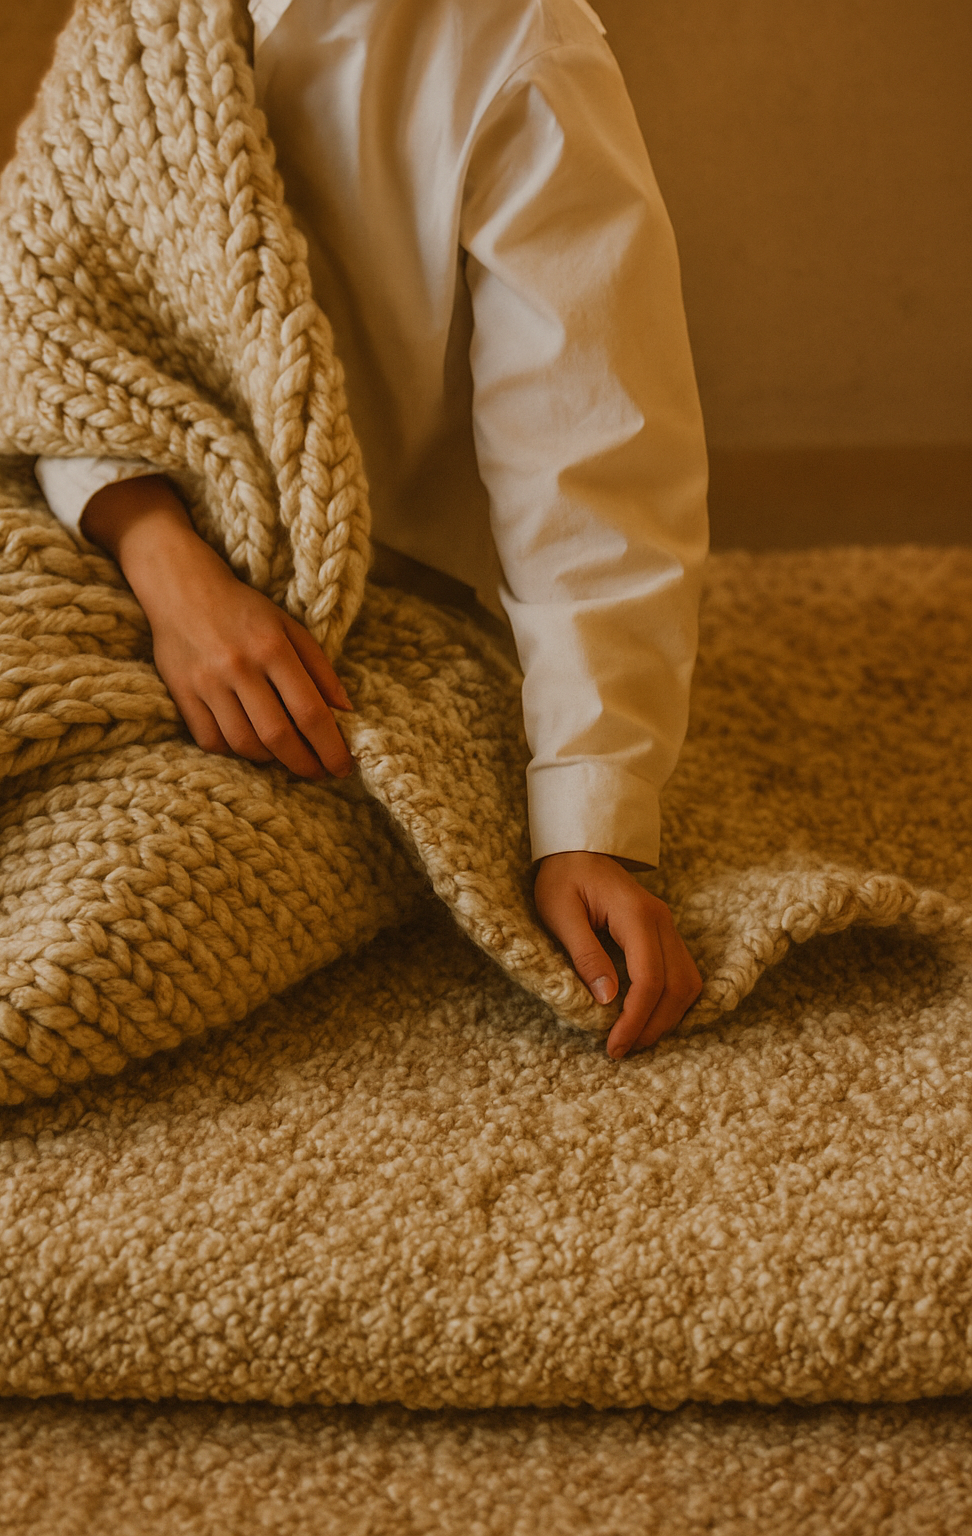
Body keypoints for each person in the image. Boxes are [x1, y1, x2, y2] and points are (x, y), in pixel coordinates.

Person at [34, 0, 709, 1060]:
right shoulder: (137, 18)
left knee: (122, 893)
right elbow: (61, 330)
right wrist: (168, 565)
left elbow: (586, 461)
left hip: (376, 611)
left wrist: (588, 826)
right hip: (121, 523)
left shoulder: (520, 47)